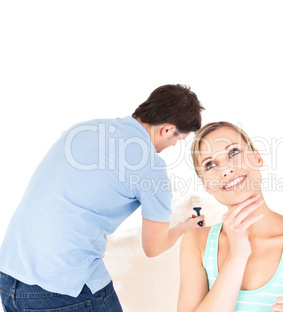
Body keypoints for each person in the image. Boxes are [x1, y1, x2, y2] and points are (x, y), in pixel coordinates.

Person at [0, 84, 205, 312]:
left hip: (9, 275)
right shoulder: (149, 165)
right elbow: (153, 247)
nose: (175, 144)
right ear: (167, 130)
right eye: (180, 138)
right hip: (63, 288)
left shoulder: (85, 129)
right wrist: (184, 228)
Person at [178, 122, 283, 312]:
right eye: (210, 165)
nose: (226, 170)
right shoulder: (197, 244)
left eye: (234, 152)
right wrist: (237, 255)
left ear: (257, 157)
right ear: (206, 185)